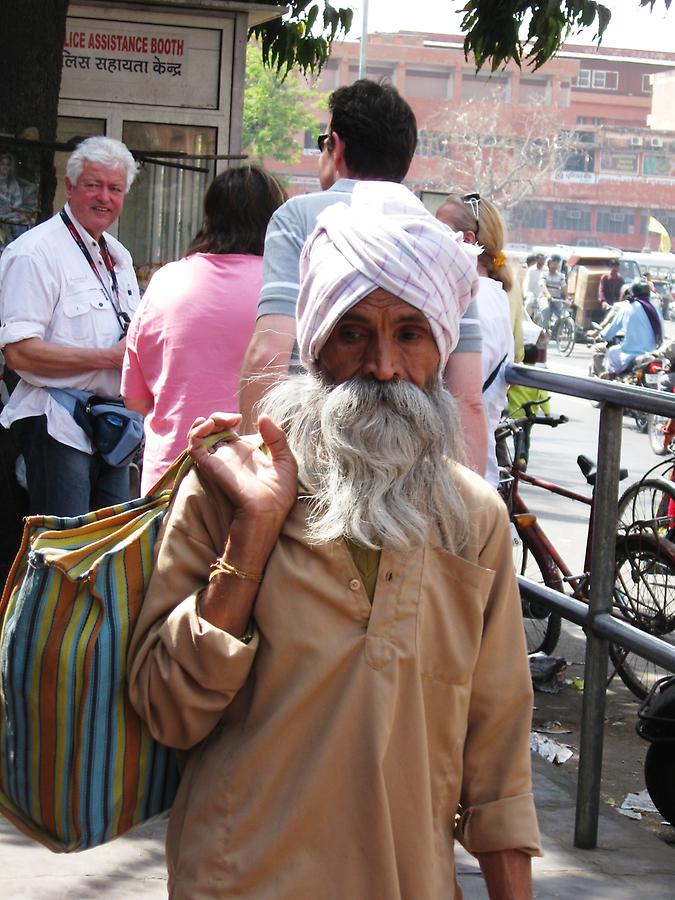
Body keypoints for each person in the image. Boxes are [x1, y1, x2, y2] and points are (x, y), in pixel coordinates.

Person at [128, 200, 540, 899]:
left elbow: (496, 760)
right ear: (314, 344)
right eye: (352, 333)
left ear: (440, 349)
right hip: (237, 878)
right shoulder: (231, 490)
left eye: (409, 334)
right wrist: (253, 536)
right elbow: (167, 707)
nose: (381, 367)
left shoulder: (472, 520)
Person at [238, 78, 488, 474]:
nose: (384, 367)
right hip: (413, 477)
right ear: (406, 157)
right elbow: (467, 397)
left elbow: (268, 354)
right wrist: (467, 511)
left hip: (314, 469)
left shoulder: (300, 217)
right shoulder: (441, 241)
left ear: (335, 146)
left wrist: (257, 477)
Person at [121, 166, 286, 493]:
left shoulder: (166, 281)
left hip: (170, 480)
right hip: (256, 481)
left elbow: (135, 399)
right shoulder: (281, 289)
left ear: (209, 215)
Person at [0, 136, 140, 515]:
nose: (104, 198)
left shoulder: (118, 255)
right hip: (57, 425)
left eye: (115, 189)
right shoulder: (34, 253)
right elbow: (18, 352)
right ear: (71, 187)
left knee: (108, 551)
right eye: (94, 185)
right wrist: (109, 358)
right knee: (63, 552)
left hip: (113, 427)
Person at [436, 193, 515, 489]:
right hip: (464, 471)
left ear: (467, 241)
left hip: (459, 477)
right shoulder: (491, 295)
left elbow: (465, 400)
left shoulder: (476, 300)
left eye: (439, 231)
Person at [598, 279, 663, 374]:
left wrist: (601, 336)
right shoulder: (655, 310)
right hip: (652, 353)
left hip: (629, 354)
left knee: (610, 351)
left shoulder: (627, 308)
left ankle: (608, 378)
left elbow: (610, 332)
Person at [506, 343, 551, 469]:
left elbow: (507, 389)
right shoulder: (536, 375)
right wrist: (547, 413)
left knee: (518, 437)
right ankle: (523, 459)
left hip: (516, 412)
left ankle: (521, 459)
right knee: (526, 436)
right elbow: (543, 395)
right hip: (530, 414)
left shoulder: (517, 372)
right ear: (536, 358)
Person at [539, 254, 567, 329]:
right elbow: (543, 286)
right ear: (549, 263)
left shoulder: (561, 276)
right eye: (554, 263)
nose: (555, 266)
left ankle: (556, 331)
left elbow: (564, 287)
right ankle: (543, 330)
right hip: (545, 298)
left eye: (557, 264)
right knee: (545, 309)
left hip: (556, 298)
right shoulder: (544, 274)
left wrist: (567, 298)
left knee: (563, 314)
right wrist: (548, 295)